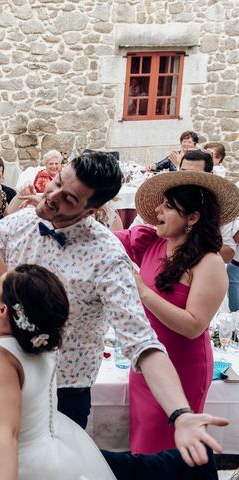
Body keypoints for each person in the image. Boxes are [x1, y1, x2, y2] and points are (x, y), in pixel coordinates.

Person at [0, 150, 230, 465]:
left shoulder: (108, 255)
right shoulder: (20, 223)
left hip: (64, 395)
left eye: (69, 198)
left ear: (90, 211)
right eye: (58, 182)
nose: (52, 197)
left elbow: (141, 343)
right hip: (5, 379)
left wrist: (181, 413)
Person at [0, 262, 226, 480]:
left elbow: (5, 436)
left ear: (3, 311)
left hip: (16, 465)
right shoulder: (41, 343)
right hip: (51, 447)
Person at [114, 171, 239, 454]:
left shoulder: (209, 263)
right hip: (146, 363)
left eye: (168, 206)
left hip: (183, 369)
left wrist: (142, 292)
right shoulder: (150, 241)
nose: (157, 210)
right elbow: (104, 241)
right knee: (142, 446)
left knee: (169, 452)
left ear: (192, 218)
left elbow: (194, 325)